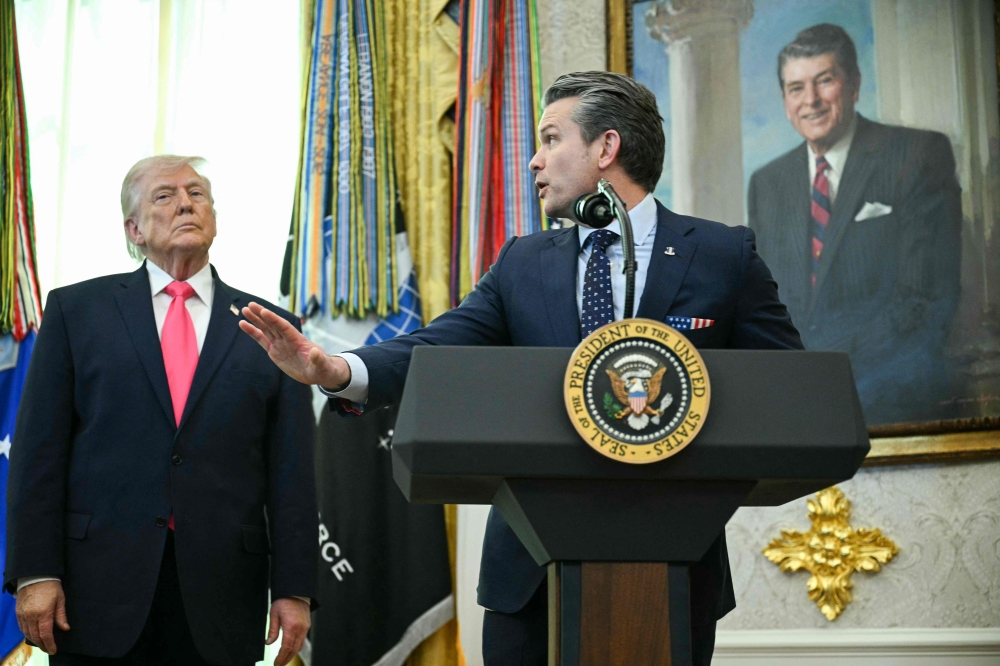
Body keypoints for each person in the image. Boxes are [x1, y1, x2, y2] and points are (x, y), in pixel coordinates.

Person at [241, 72, 803, 666]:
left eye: (551, 139)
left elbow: (787, 387)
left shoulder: (721, 255)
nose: (534, 161)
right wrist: (335, 369)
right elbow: (439, 345)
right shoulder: (522, 263)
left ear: (606, 148)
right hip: (530, 577)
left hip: (674, 568)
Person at [5, 156, 318, 666]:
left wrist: (295, 588)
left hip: (222, 595)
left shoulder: (272, 327)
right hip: (95, 590)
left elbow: (292, 473)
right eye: (165, 195)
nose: (186, 203)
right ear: (133, 228)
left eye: (197, 193)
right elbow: (39, 455)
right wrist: (36, 572)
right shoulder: (74, 312)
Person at [747, 23, 962, 424]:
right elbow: (767, 304)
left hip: (895, 400)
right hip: (797, 404)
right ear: (784, 98)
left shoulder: (917, 155)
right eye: (796, 88)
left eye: (824, 81)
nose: (810, 100)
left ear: (854, 84)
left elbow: (924, 301)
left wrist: (821, 370)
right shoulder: (766, 183)